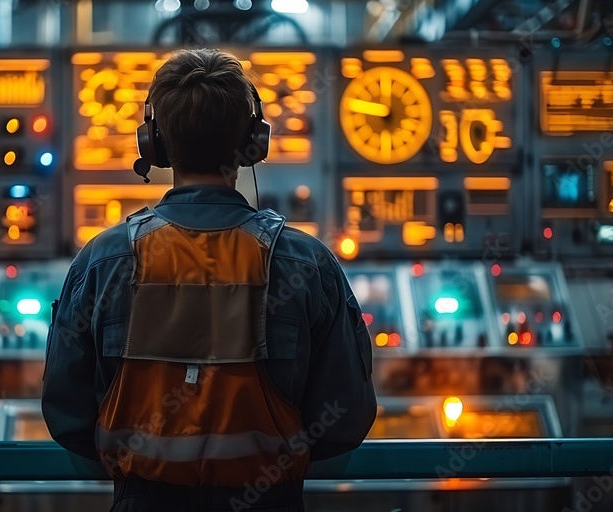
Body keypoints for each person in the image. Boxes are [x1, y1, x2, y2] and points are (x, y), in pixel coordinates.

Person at [42, 48, 377, 512]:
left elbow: (67, 412)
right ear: (252, 141)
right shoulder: (305, 262)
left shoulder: (105, 259)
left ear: (154, 143)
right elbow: (345, 418)